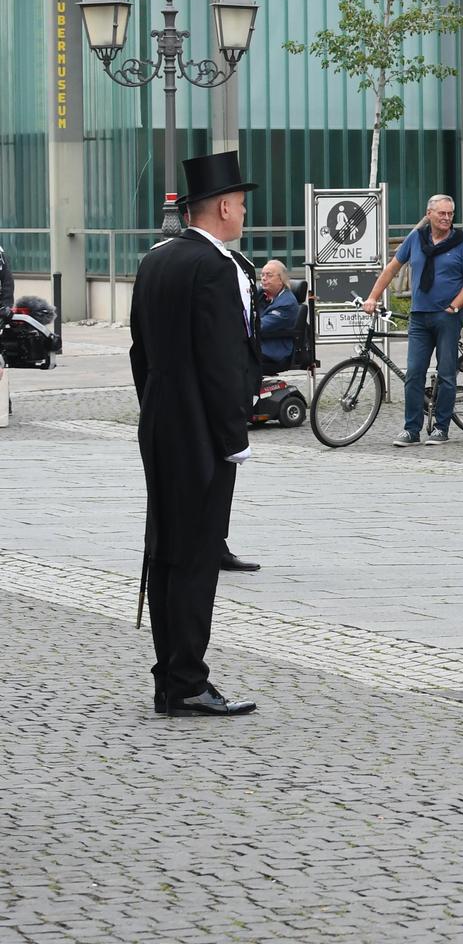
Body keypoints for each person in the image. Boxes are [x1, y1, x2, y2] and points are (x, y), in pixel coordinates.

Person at [130, 151, 260, 717]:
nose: (245, 214)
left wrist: (157, 405)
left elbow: (140, 350)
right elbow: (223, 362)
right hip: (202, 431)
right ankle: (185, 680)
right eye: (243, 205)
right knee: (198, 556)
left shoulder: (155, 260)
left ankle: (171, 674)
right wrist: (234, 435)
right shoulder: (218, 266)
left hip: (161, 420)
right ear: (225, 207)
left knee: (166, 550)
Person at [361, 194, 463, 446]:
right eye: (442, 214)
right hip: (419, 317)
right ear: (429, 214)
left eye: (450, 214)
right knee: (414, 373)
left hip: (447, 317)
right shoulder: (416, 239)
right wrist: (372, 297)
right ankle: (411, 429)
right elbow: (392, 268)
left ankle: (441, 427)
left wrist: (455, 305)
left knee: (446, 373)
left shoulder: (461, 243)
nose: (447, 218)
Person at [256, 259, 301, 375]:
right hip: (260, 344)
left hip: (273, 351)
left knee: (230, 358)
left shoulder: (286, 304)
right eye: (262, 275)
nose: (264, 278)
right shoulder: (261, 294)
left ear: (281, 280)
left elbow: (259, 326)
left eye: (269, 275)